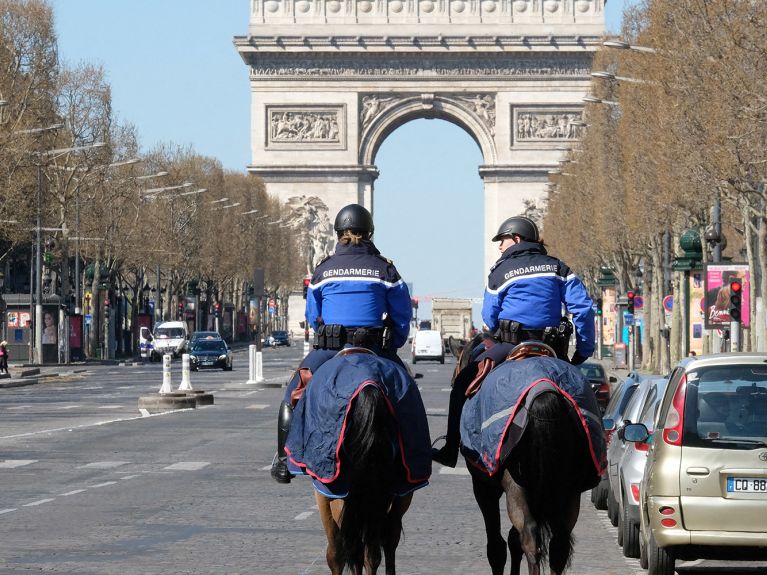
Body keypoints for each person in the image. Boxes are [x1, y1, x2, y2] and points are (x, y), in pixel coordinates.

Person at [432, 215, 596, 467]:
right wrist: (583, 351)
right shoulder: (559, 268)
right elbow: (583, 310)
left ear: (516, 239)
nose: (499, 246)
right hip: (552, 348)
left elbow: (489, 317)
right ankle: (595, 459)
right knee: (584, 395)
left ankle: (451, 448)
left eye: (502, 240)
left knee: (463, 384)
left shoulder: (500, 271)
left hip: (511, 345)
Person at [270, 203, 413, 484]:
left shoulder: (323, 271)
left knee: (292, 394)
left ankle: (285, 459)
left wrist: (326, 334)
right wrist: (392, 344)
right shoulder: (385, 269)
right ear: (369, 233)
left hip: (331, 350)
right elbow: (402, 314)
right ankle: (415, 458)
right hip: (375, 349)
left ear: (337, 234)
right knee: (408, 394)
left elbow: (313, 316)